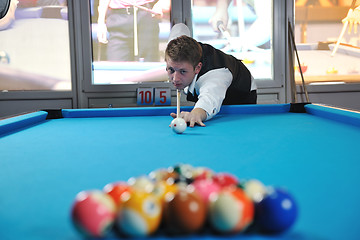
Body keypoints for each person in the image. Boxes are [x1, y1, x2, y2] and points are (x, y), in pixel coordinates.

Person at [166, 23, 257, 127]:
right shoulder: (173, 49)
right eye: (171, 70)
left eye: (183, 71)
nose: (175, 79)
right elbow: (180, 27)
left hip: (240, 92)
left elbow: (209, 99)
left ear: (197, 68)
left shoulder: (215, 76)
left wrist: (195, 114)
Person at [97, 0, 170, 62]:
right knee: (116, 69)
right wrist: (101, 21)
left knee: (148, 68)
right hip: (119, 17)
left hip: (146, 14)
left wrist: (162, 4)